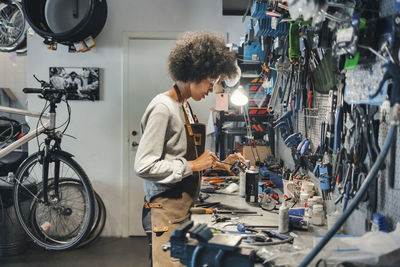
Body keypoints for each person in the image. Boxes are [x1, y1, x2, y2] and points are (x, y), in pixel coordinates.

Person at [134, 32, 245, 267]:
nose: (211, 89)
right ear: (193, 74)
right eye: (209, 82)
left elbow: (180, 155)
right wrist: (193, 165)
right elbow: (144, 165)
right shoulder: (163, 108)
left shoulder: (183, 105)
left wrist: (220, 163)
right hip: (165, 210)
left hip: (182, 208)